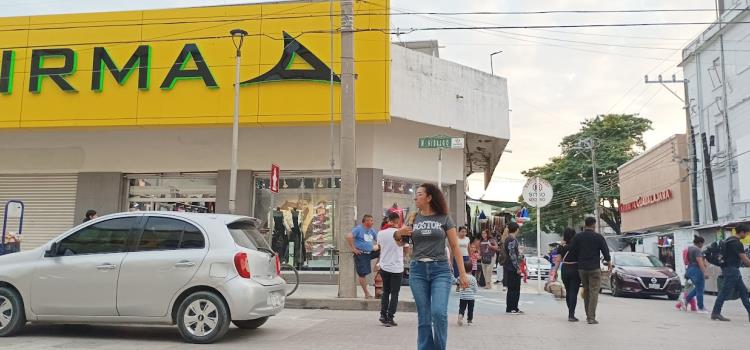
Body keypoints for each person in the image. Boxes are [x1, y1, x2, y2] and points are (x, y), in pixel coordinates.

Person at [393, 183, 468, 350]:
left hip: (440, 270)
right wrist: (398, 233)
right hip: (418, 270)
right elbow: (400, 243)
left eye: (419, 194)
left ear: (429, 198)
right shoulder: (412, 218)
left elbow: (455, 246)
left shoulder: (444, 218)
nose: (415, 197)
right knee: (424, 316)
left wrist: (462, 273)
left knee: (439, 313)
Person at [567, 217, 611, 325]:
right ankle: (591, 317)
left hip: (582, 269)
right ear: (594, 225)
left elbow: (571, 250)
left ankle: (588, 315)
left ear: (585, 225)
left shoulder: (578, 237)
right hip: (594, 268)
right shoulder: (598, 237)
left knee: (586, 291)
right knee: (594, 292)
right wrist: (609, 263)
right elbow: (605, 252)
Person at [711, 224, 750, 322]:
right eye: (747, 233)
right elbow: (744, 259)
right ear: (742, 232)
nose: (747, 235)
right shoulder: (737, 243)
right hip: (732, 270)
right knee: (724, 292)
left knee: (743, 292)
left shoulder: (728, 240)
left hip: (729, 269)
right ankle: (716, 312)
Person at [377, 211, 410, 327]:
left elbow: (380, 248)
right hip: (396, 267)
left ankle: (383, 314)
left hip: (384, 266)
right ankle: (390, 317)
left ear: (388, 220)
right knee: (395, 293)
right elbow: (406, 250)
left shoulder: (380, 233)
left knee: (386, 291)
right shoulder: (400, 232)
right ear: (398, 221)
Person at [347, 214, 379, 299]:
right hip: (361, 254)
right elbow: (349, 236)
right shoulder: (358, 229)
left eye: (372, 220)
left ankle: (377, 264)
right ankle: (366, 293)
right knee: (362, 274)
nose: (372, 222)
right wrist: (353, 249)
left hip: (370, 252)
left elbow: (379, 239)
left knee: (382, 250)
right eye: (371, 220)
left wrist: (378, 246)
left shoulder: (372, 230)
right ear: (366, 221)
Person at [552, 228, 580, 322]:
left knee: (568, 291)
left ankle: (570, 313)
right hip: (575, 268)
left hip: (565, 269)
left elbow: (558, 260)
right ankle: (571, 314)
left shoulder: (561, 246)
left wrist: (555, 271)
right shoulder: (576, 245)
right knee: (573, 292)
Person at [676, 236, 709, 313]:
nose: (702, 245)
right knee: (700, 289)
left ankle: (685, 300)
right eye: (702, 244)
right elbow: (700, 261)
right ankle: (701, 308)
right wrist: (704, 272)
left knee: (697, 288)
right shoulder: (697, 250)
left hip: (690, 269)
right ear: (700, 243)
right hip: (697, 270)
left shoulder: (689, 248)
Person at [503, 222, 524, 314]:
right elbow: (513, 255)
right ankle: (513, 307)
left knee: (511, 288)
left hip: (508, 266)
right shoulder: (512, 240)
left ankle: (510, 307)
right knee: (515, 288)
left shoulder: (507, 239)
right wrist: (518, 267)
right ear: (516, 229)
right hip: (513, 267)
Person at [457, 261, 479, 326]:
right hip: (471, 297)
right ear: (471, 269)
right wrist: (474, 292)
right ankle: (469, 321)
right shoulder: (473, 278)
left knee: (462, 307)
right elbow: (475, 288)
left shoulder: (461, 276)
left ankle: (460, 315)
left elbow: (457, 282)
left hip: (463, 296)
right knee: (470, 309)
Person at [454, 227, 471, 292]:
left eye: (465, 232)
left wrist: (470, 257)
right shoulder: (456, 239)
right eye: (462, 231)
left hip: (466, 257)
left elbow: (469, 249)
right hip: (457, 257)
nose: (464, 233)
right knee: (457, 272)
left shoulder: (467, 239)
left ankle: (464, 285)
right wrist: (450, 259)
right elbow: (452, 249)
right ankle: (458, 285)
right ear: (459, 232)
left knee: (465, 272)